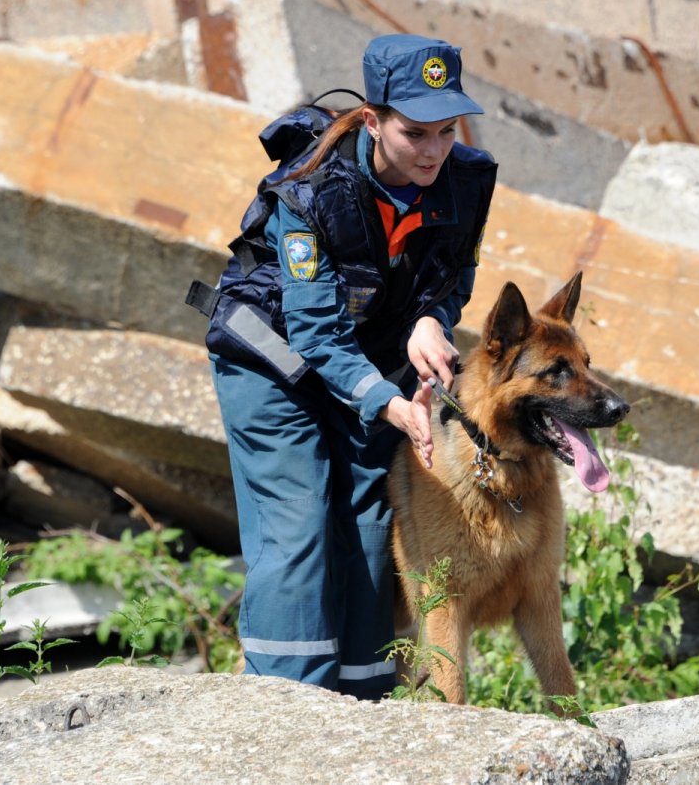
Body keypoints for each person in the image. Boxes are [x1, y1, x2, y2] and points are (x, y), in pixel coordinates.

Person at [203, 34, 497, 699]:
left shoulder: (466, 181)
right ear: (372, 120)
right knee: (301, 524)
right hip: (272, 360)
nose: (433, 151)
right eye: (415, 132)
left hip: (367, 363)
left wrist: (432, 320)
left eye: (446, 131)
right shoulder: (309, 192)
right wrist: (388, 402)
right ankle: (284, 711)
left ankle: (364, 709)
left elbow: (454, 277)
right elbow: (312, 329)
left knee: (368, 523)